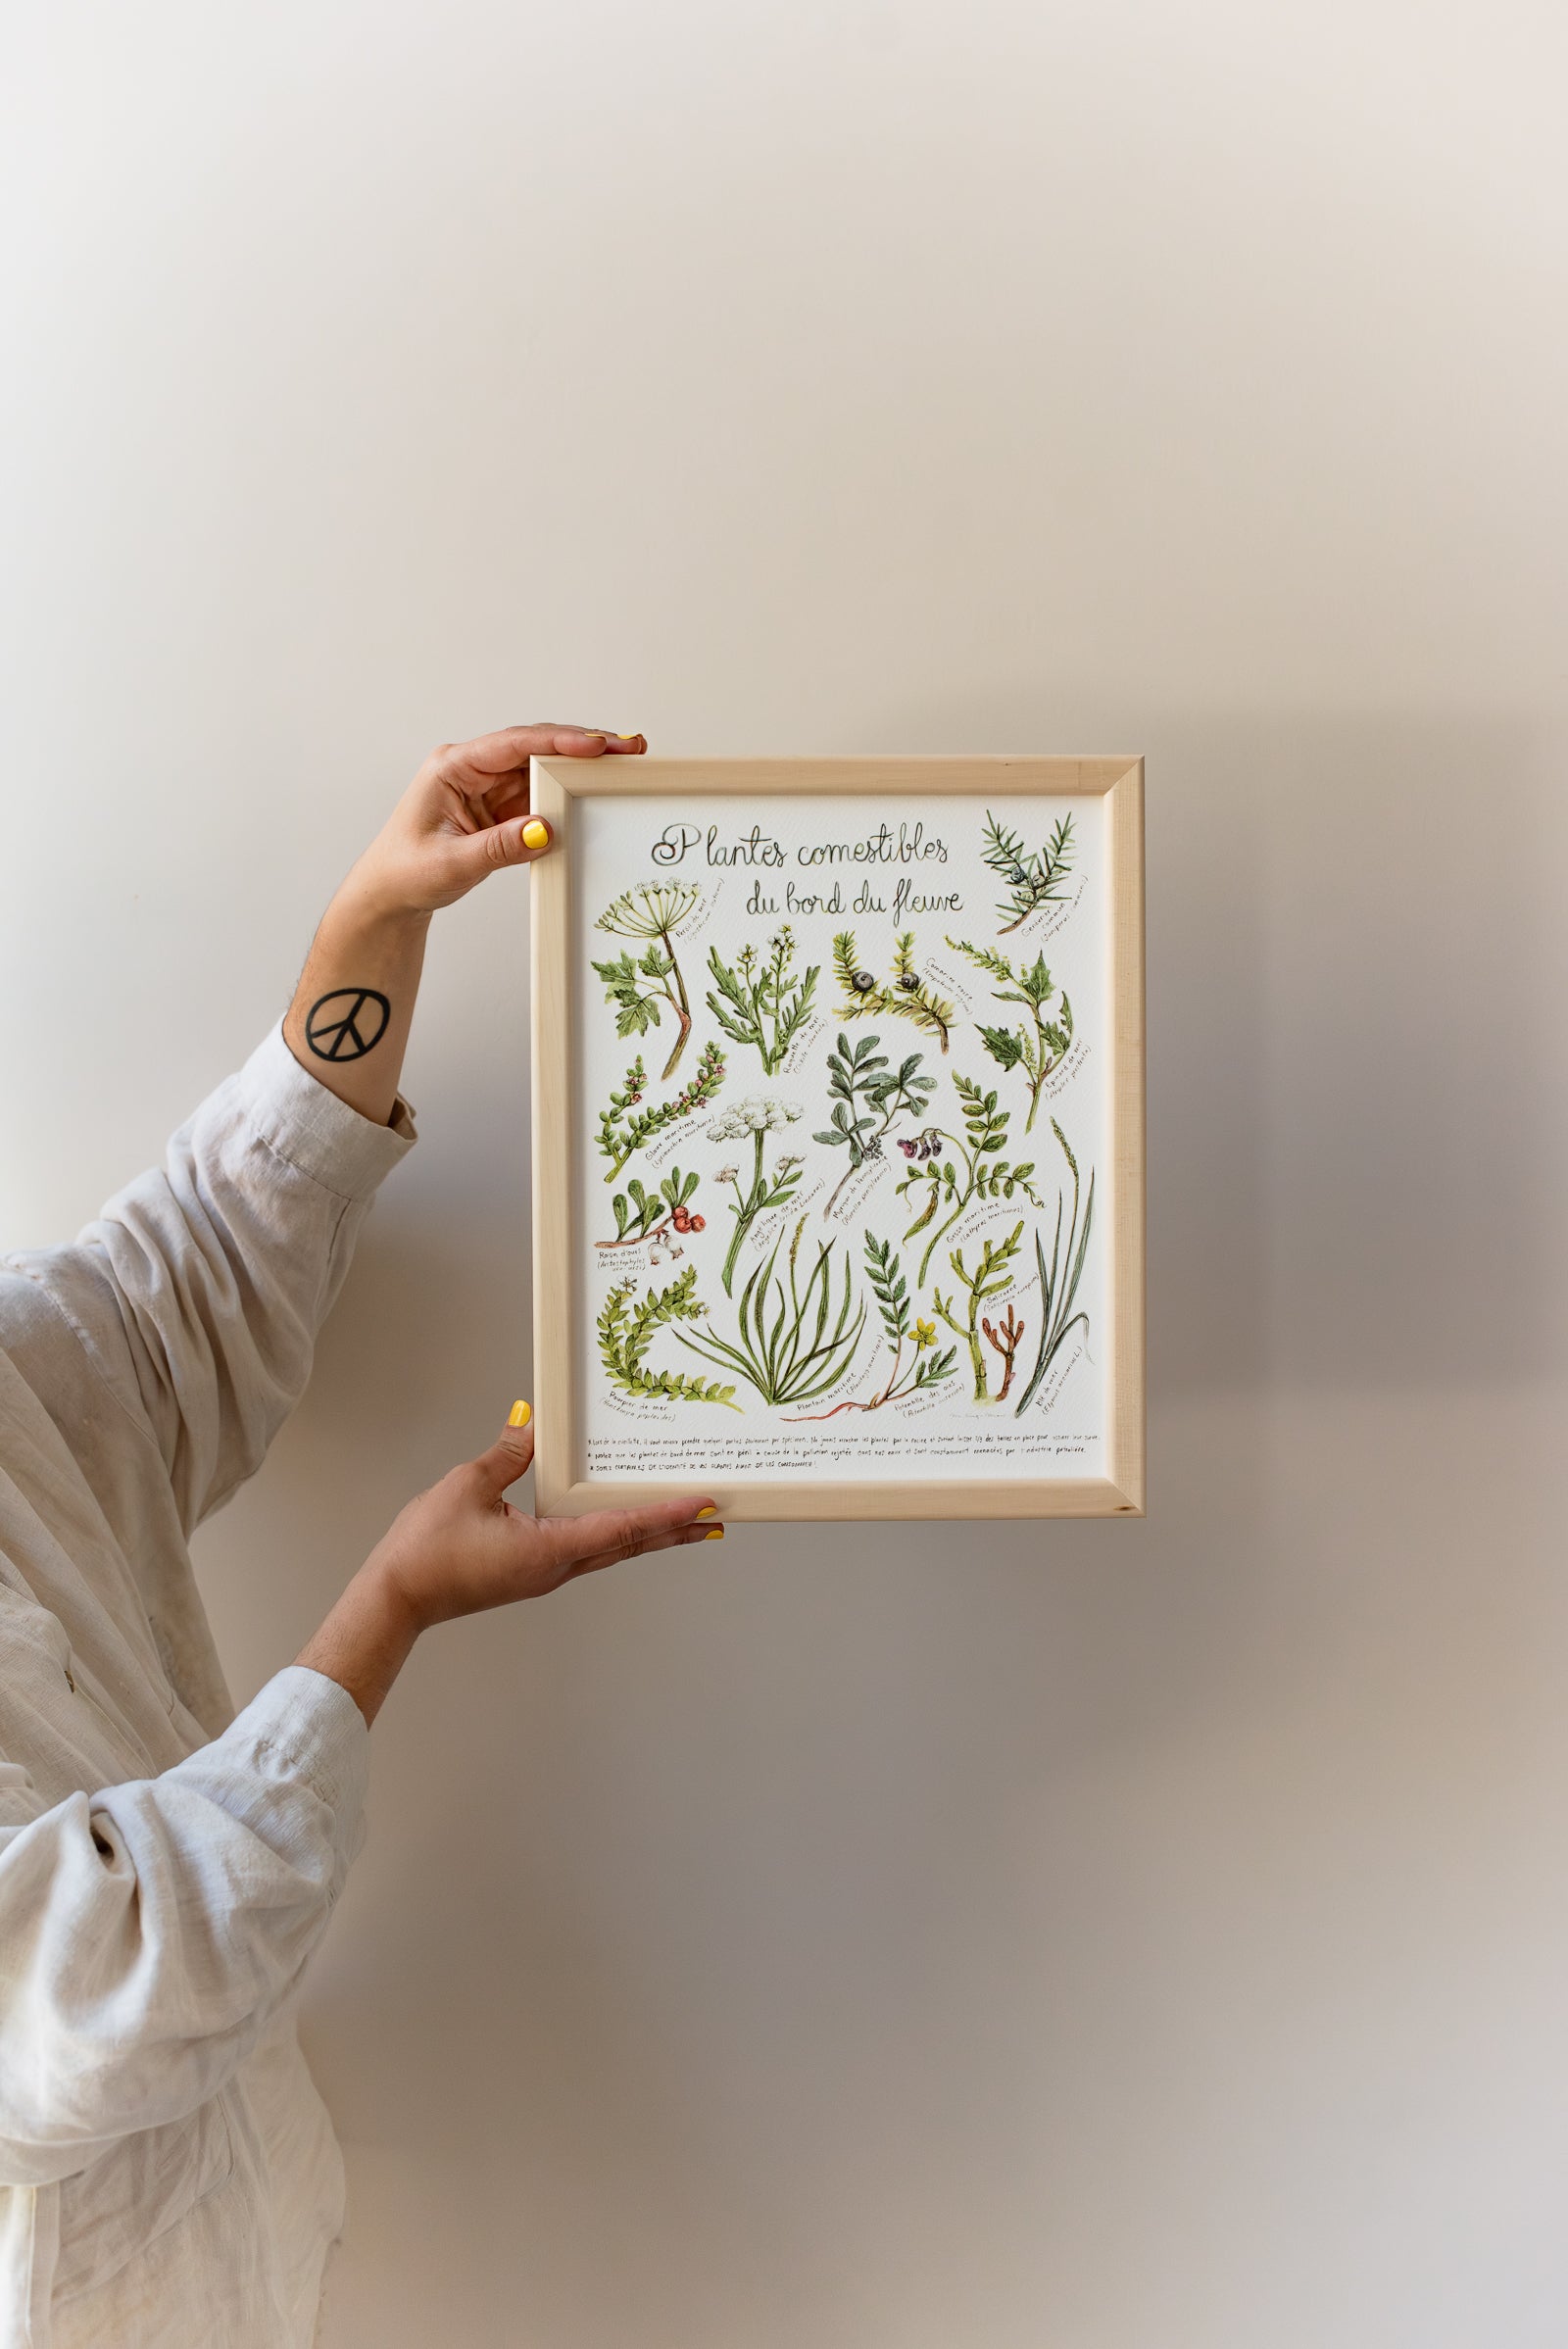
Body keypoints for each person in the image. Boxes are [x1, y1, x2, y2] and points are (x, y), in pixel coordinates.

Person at [0, 724, 723, 2349]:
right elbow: (89, 1987)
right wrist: (389, 1607)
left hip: (248, 2226)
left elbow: (171, 1305)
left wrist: (373, 924)